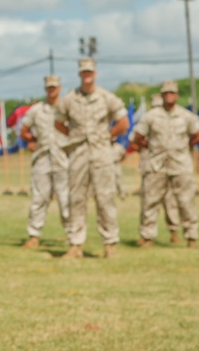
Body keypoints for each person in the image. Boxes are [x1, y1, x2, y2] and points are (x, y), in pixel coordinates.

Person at [54, 58, 129, 259]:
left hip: (101, 152)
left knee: (105, 198)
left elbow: (123, 122)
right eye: (83, 72)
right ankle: (75, 245)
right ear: (79, 74)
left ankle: (110, 244)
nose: (86, 75)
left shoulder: (106, 97)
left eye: (90, 72)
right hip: (78, 153)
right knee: (76, 198)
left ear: (95, 74)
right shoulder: (69, 98)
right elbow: (59, 123)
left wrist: (108, 135)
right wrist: (74, 135)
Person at [131, 80, 199, 248]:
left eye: (172, 93)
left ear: (177, 96)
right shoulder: (151, 116)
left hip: (180, 165)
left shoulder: (186, 116)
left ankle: (191, 236)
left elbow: (198, 135)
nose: (169, 96)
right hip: (157, 165)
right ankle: (147, 236)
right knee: (150, 201)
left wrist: (185, 147)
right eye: (166, 93)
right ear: (162, 95)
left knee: (186, 201)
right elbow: (137, 137)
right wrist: (149, 147)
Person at [19, 75, 71, 249]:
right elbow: (23, 130)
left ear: (60, 88)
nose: (52, 90)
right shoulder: (36, 110)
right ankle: (34, 235)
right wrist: (33, 140)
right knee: (39, 198)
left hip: (63, 158)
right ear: (45, 89)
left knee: (66, 199)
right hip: (42, 158)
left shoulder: (67, 108)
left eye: (54, 87)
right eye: (49, 87)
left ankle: (73, 235)